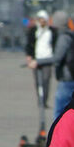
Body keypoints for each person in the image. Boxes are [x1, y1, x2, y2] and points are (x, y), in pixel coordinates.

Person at [30, 11, 74, 121]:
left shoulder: (63, 37)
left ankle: (56, 137)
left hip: (66, 80)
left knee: (59, 113)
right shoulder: (71, 35)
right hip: (73, 78)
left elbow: (57, 58)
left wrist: (38, 62)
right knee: (72, 112)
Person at [25, 10, 58, 138]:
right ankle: (40, 99)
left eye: (44, 19)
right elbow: (29, 44)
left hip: (47, 59)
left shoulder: (51, 32)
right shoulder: (34, 31)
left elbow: (54, 44)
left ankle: (44, 99)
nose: (42, 21)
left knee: (46, 80)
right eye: (40, 19)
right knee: (38, 81)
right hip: (36, 60)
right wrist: (29, 56)